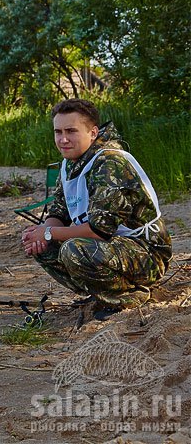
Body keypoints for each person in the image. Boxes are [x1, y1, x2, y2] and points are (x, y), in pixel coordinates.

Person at [21, 99, 171, 320]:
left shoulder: (110, 163)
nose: (63, 139)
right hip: (115, 248)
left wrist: (47, 232)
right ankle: (100, 291)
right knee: (42, 244)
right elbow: (58, 213)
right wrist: (42, 235)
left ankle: (128, 295)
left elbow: (98, 231)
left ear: (92, 133)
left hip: (148, 253)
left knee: (74, 249)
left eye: (71, 131)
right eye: (58, 132)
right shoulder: (70, 163)